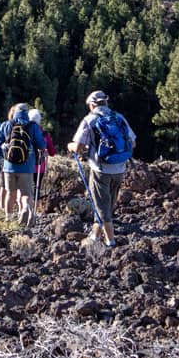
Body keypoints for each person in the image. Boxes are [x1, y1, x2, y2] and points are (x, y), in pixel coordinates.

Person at [67, 90, 137, 247]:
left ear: (92, 105)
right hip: (119, 169)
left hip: (100, 170)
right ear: (106, 102)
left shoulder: (89, 120)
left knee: (102, 207)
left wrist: (70, 146)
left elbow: (78, 146)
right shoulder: (119, 118)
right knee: (107, 205)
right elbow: (132, 143)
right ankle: (94, 236)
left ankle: (111, 241)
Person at [0, 103, 48, 226]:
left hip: (9, 167)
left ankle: (8, 218)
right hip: (27, 166)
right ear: (26, 112)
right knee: (25, 194)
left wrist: (6, 156)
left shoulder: (6, 124)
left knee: (10, 193)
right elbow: (41, 145)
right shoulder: (33, 126)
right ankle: (24, 209)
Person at [29, 108, 56, 197]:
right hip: (40, 166)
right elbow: (52, 152)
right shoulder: (44, 134)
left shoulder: (24, 131)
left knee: (26, 190)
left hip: (26, 165)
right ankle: (34, 209)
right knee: (36, 190)